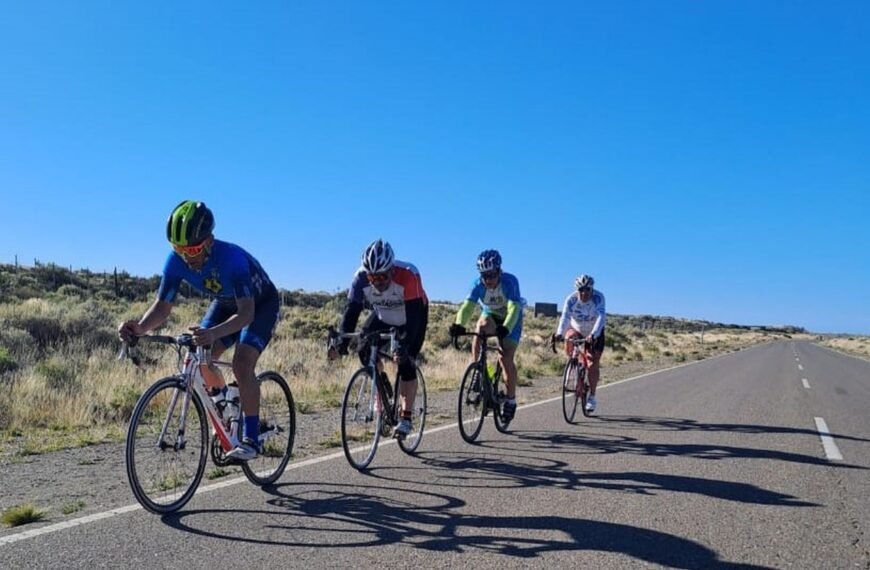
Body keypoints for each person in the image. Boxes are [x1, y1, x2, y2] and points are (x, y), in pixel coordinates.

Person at [118, 200, 280, 461]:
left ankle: (251, 439)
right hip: (227, 303)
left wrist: (214, 333)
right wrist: (140, 326)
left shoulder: (232, 260)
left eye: (192, 249)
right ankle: (226, 408)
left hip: (259, 305)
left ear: (208, 242)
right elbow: (162, 305)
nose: (186, 257)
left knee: (241, 363)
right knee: (201, 356)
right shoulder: (176, 261)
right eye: (179, 249)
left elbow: (246, 314)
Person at [329, 239, 429, 439]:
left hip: (411, 316)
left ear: (392, 270)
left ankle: (405, 418)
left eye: (383, 276)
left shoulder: (409, 274)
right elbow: (351, 313)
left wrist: (405, 347)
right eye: (373, 278)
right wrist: (341, 344)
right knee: (363, 348)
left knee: (405, 361)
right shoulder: (359, 279)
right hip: (383, 314)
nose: (379, 282)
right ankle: (380, 381)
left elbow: (415, 319)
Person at [448, 249, 523, 424]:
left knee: (505, 358)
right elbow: (467, 307)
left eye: (492, 275)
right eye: (484, 276)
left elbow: (513, 309)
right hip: (491, 315)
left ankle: (510, 400)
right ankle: (478, 370)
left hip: (511, 319)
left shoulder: (510, 282)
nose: (488, 280)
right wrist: (459, 324)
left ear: (499, 271)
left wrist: (506, 328)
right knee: (480, 328)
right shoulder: (477, 285)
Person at [552, 274, 606, 413]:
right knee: (568, 337)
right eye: (580, 290)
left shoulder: (598, 298)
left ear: (591, 289)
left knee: (593, 363)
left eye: (587, 290)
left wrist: (593, 335)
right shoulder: (571, 300)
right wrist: (559, 333)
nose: (584, 293)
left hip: (594, 330)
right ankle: (574, 363)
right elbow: (565, 317)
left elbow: (601, 318)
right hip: (576, 328)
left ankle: (592, 396)